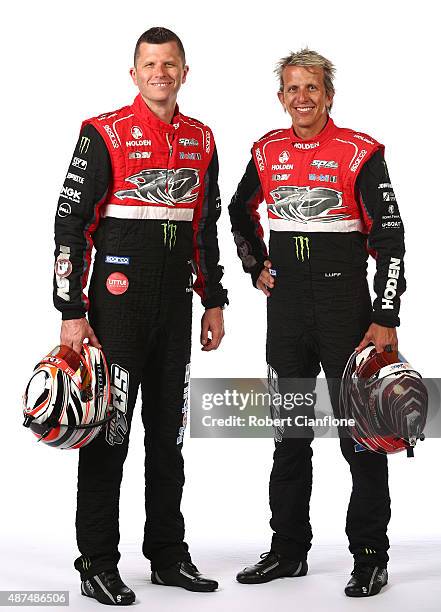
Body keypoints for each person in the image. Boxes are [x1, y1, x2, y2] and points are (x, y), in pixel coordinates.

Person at [53, 27, 228, 605]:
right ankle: (97, 561)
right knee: (108, 436)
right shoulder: (102, 132)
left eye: (170, 64)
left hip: (174, 310)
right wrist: (71, 310)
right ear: (134, 74)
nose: (160, 73)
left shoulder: (201, 139)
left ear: (184, 71)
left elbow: (206, 227)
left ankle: (168, 556)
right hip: (116, 309)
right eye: (150, 64)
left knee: (169, 438)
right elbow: (69, 224)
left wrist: (214, 299)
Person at [228, 48, 405, 597]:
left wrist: (385, 314)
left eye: (312, 88)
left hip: (345, 306)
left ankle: (370, 556)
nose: (302, 98)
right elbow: (237, 210)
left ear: (329, 95)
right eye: (292, 89)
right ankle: (288, 551)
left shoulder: (361, 151)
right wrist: (256, 264)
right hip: (287, 311)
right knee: (289, 434)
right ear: (280, 97)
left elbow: (391, 239)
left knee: (361, 435)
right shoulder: (266, 149)